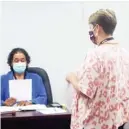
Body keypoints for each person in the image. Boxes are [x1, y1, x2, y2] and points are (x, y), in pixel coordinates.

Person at [66, 9, 129, 129]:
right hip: (118, 121)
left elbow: (85, 89)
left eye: (91, 27)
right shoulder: (124, 53)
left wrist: (71, 77)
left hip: (96, 122)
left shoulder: (95, 54)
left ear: (97, 28)